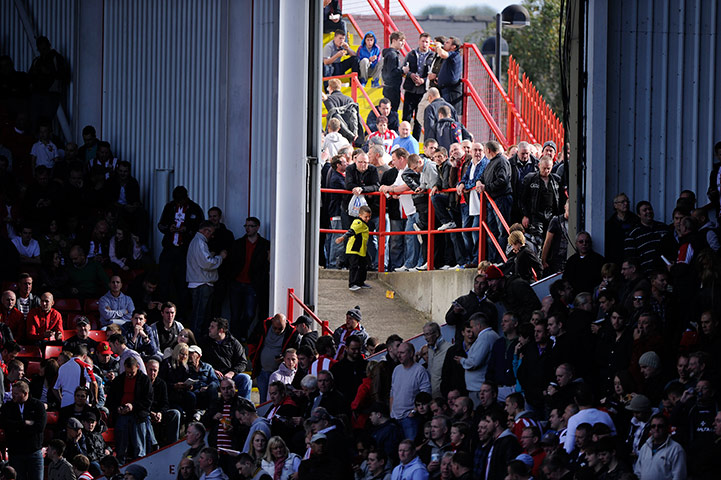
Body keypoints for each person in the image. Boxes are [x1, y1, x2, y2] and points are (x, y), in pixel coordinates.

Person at [157, 185, 204, 304]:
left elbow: (200, 228)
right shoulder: (169, 207)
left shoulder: (195, 208)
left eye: (181, 201)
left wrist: (187, 230)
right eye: (177, 201)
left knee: (182, 282)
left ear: (186, 198)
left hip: (185, 250)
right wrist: (169, 228)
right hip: (169, 247)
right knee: (163, 279)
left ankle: (182, 313)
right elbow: (161, 225)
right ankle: (163, 309)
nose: (179, 203)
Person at [228, 216, 270, 342]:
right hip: (237, 282)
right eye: (246, 226)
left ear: (257, 227)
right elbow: (231, 262)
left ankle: (242, 334)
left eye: (251, 226)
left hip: (253, 284)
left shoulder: (265, 245)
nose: (248, 228)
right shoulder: (238, 243)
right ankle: (236, 339)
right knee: (235, 314)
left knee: (250, 314)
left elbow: (266, 264)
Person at [106, 356, 153, 464]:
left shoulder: (144, 380)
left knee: (139, 446)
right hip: (122, 415)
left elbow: (148, 401)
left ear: (137, 367)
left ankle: (140, 465)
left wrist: (133, 406)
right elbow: (110, 401)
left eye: (131, 372)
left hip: (138, 416)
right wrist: (118, 408)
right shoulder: (119, 380)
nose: (129, 375)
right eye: (127, 372)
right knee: (121, 446)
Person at [186, 220, 227, 335]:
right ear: (205, 231)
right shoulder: (200, 242)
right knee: (200, 317)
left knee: (199, 316)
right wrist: (220, 257)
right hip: (201, 284)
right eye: (211, 233)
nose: (212, 236)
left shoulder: (197, 242)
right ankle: (196, 341)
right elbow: (207, 263)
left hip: (199, 282)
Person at [0, 380, 46, 480]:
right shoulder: (7, 407)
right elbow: (5, 424)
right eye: (12, 393)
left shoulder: (38, 406)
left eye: (16, 394)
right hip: (16, 453)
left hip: (34, 452)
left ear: (25, 393)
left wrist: (18, 429)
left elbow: (39, 427)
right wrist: (24, 423)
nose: (13, 396)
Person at [199, 317, 252, 399]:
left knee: (246, 378)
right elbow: (199, 360)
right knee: (211, 385)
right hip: (213, 376)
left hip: (229, 376)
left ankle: (242, 406)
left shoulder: (233, 343)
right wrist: (211, 370)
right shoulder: (205, 342)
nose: (209, 328)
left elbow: (242, 362)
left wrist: (232, 372)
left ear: (221, 330)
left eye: (212, 327)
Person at [391, 342, 432, 440]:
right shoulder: (397, 369)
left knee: (410, 447)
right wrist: (391, 412)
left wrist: (414, 411)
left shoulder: (420, 371)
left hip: (410, 419)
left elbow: (425, 394)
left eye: (402, 353)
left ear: (411, 353)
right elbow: (392, 392)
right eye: (398, 352)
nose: (399, 355)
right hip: (395, 418)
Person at [520, 155, 562, 246]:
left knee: (552, 240)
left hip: (551, 214)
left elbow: (560, 199)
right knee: (537, 240)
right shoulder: (530, 179)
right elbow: (523, 199)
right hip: (536, 215)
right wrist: (525, 215)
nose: (546, 171)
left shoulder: (556, 180)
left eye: (548, 168)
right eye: (544, 168)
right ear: (539, 165)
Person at [402, 33, 435, 139]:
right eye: (423, 41)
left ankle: (415, 140)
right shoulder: (411, 54)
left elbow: (434, 73)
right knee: (406, 116)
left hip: (423, 91)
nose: (424, 44)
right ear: (418, 41)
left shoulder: (432, 56)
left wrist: (424, 80)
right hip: (410, 89)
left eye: (427, 42)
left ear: (430, 43)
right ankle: (404, 137)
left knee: (419, 118)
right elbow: (404, 68)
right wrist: (410, 74)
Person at [634, 413, 687, 479]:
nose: (656, 428)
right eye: (653, 426)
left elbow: (679, 476)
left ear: (667, 428)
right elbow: (638, 472)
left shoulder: (676, 449)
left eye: (660, 426)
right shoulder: (645, 447)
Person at [336, 205, 372, 291]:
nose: (367, 218)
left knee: (364, 266)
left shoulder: (364, 224)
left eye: (369, 217)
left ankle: (360, 282)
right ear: (360, 215)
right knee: (354, 267)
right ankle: (352, 284)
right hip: (354, 249)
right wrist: (342, 238)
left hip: (361, 250)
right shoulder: (358, 223)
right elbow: (351, 231)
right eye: (365, 217)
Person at [435, 37, 463, 114]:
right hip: (445, 89)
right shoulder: (451, 56)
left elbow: (442, 54)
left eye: (447, 43)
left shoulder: (454, 54)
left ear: (453, 47)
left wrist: (438, 46)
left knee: (448, 114)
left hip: (451, 91)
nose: (444, 44)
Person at [381, 31, 406, 112]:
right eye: (401, 40)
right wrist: (403, 70)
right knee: (392, 112)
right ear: (394, 41)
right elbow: (391, 73)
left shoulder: (390, 53)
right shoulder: (392, 55)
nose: (403, 43)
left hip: (389, 87)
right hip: (392, 89)